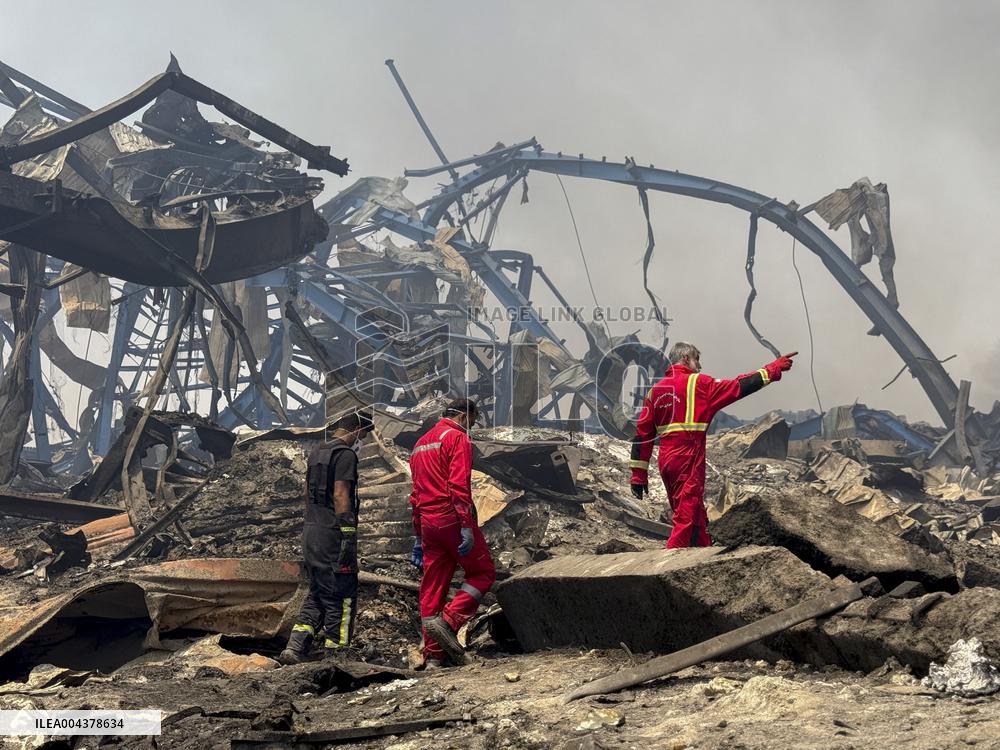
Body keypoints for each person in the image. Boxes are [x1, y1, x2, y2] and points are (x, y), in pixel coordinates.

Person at [629, 342, 796, 549]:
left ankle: (702, 552)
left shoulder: (655, 391)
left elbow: (642, 436)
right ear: (685, 359)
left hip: (667, 463)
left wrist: (638, 476)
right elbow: (740, 386)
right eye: (696, 359)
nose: (700, 365)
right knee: (686, 517)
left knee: (696, 514)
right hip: (687, 459)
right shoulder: (699, 384)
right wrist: (774, 368)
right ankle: (667, 564)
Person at [279, 412, 374, 664]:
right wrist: (348, 531)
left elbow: (306, 494)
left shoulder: (317, 452)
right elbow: (341, 494)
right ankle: (338, 654)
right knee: (342, 594)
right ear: (355, 429)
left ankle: (295, 648)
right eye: (363, 435)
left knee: (319, 591)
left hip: (312, 531)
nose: (362, 441)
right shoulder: (345, 455)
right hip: (333, 533)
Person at [408, 398, 496, 667]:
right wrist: (467, 525)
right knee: (483, 573)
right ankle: (447, 623)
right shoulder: (457, 438)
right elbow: (458, 485)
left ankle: (434, 656)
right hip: (451, 520)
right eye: (472, 419)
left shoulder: (420, 444)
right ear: (465, 415)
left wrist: (418, 535)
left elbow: (415, 495)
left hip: (428, 523)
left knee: (432, 587)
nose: (472, 425)